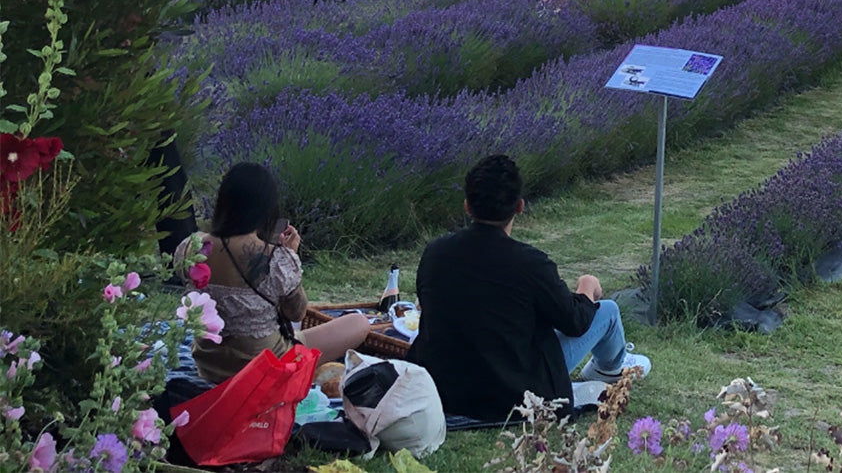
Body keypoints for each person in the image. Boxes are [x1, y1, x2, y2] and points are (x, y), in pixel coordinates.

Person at [409, 154, 650, 421]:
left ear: (467, 206)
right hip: (511, 389)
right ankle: (612, 367)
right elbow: (575, 322)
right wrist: (586, 288)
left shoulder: (435, 253)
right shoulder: (530, 264)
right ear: (520, 206)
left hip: (445, 386)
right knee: (607, 311)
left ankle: (610, 367)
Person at [177, 164, 370, 384]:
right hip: (266, 367)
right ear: (266, 208)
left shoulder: (189, 248)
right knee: (359, 323)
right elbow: (296, 313)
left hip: (210, 365)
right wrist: (290, 258)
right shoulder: (276, 258)